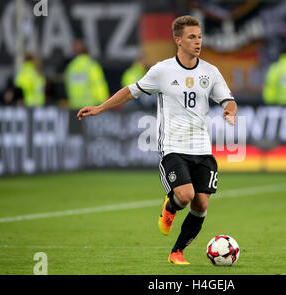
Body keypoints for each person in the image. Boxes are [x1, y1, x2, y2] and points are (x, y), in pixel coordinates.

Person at [76, 15, 238, 265]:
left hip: (203, 148)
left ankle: (177, 252)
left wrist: (230, 110)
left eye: (200, 36)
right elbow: (131, 91)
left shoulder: (210, 72)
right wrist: (100, 108)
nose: (198, 42)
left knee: (201, 204)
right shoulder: (162, 70)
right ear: (178, 40)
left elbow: (228, 100)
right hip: (173, 147)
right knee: (185, 196)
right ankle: (171, 207)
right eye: (192, 37)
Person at [64, 39, 109, 109]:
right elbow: (99, 85)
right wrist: (103, 103)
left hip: (74, 105)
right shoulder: (92, 66)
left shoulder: (71, 67)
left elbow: (67, 85)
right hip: (91, 105)